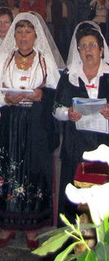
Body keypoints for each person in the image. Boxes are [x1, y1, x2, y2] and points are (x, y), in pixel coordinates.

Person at [0, 12, 60, 250]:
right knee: (8, 171)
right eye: (19, 31)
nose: (23, 36)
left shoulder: (44, 60)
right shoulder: (4, 59)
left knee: (33, 171)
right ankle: (7, 225)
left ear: (36, 35)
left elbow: (57, 91)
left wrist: (42, 95)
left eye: (28, 31)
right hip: (11, 120)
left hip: (35, 123)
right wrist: (6, 98)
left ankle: (32, 228)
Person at [54, 22, 109, 223]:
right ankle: (75, 243)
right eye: (83, 46)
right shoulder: (70, 76)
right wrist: (67, 113)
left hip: (103, 145)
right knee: (75, 196)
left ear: (101, 50)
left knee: (101, 195)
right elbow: (56, 109)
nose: (87, 50)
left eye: (92, 45)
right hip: (75, 145)